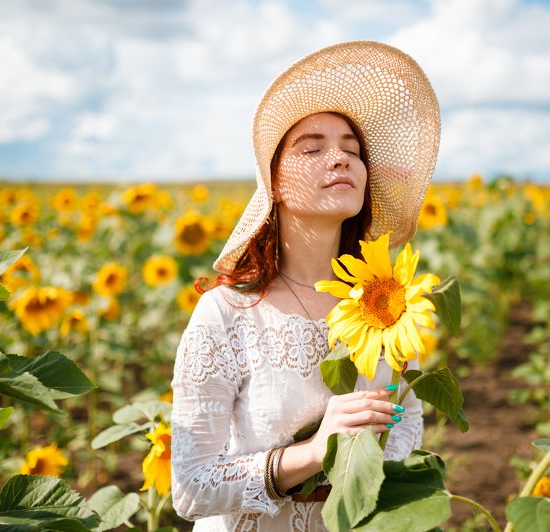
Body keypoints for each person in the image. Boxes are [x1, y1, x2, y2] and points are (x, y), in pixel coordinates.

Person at [170, 41, 441, 531]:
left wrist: (378, 482)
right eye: (312, 148)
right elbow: (190, 488)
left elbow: (409, 416)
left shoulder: (390, 301)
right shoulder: (228, 313)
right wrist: (315, 453)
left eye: (352, 151)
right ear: (272, 183)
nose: (339, 159)